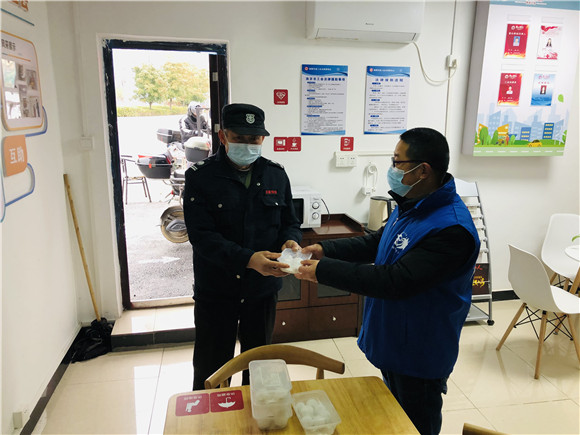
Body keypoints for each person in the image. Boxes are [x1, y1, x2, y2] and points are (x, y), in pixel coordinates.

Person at [296, 127, 480, 435]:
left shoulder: (451, 229)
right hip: (394, 340)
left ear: (423, 170)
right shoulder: (412, 203)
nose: (392, 169)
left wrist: (322, 271)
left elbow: (396, 281)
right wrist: (325, 250)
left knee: (414, 424)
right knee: (391, 419)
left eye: (397, 162)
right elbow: (377, 242)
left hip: (419, 352)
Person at [183, 103, 302, 390]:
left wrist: (291, 241)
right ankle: (211, 415)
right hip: (217, 289)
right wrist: (249, 259)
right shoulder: (201, 176)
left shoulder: (275, 174)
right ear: (223, 136)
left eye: (254, 139)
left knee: (260, 365)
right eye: (239, 138)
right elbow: (202, 236)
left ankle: (255, 413)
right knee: (212, 366)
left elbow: (290, 221)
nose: (248, 145)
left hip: (261, 290)